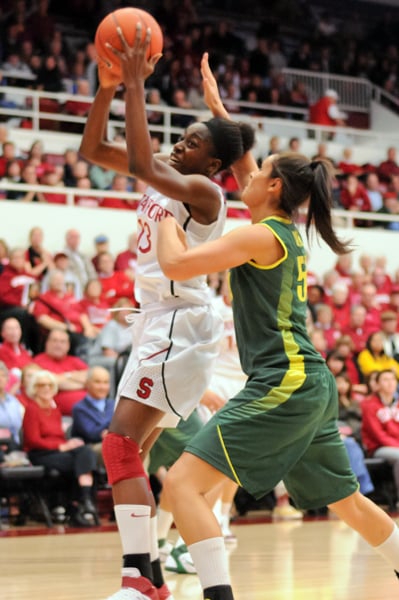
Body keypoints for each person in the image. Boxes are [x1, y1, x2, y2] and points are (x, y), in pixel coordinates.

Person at [156, 53, 399, 600]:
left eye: (259, 173)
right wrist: (219, 111)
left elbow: (174, 265)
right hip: (307, 382)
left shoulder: (259, 236)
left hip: (284, 380)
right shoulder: (275, 227)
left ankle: (217, 594)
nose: (248, 172)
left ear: (271, 191)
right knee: (347, 501)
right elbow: (245, 164)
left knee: (182, 484)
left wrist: (167, 207)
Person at [79, 28, 254, 600]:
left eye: (196, 141)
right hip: (155, 321)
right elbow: (92, 152)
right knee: (130, 451)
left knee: (120, 446)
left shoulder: (205, 194)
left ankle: (140, 581)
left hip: (182, 324)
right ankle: (148, 578)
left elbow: (134, 157)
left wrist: (134, 83)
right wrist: (106, 89)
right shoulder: (166, 171)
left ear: (218, 163)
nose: (183, 143)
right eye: (183, 135)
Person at [22, 369, 99, 527]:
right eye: (41, 385)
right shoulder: (32, 409)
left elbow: (60, 436)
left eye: (50, 384)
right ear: (34, 388)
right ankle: (81, 504)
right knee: (80, 463)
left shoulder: (54, 409)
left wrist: (68, 445)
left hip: (59, 451)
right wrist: (61, 446)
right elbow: (32, 440)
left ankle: (82, 502)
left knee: (85, 451)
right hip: (41, 453)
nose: (46, 388)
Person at [361, 369, 399, 502]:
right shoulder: (369, 405)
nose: (390, 383)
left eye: (393, 379)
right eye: (385, 380)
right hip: (378, 448)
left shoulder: (398, 404)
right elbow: (378, 435)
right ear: (377, 385)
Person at [33, 328, 88, 417]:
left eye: (62, 342)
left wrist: (65, 376)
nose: (58, 345)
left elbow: (90, 379)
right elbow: (51, 383)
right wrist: (80, 381)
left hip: (87, 410)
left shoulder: (75, 361)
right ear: (47, 343)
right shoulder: (38, 362)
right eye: (54, 341)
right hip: (56, 414)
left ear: (68, 346)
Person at [71, 366, 114, 469]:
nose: (102, 387)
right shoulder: (79, 408)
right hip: (91, 448)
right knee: (113, 448)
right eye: (97, 382)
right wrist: (113, 424)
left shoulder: (113, 404)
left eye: (105, 382)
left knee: (138, 448)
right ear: (87, 384)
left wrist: (109, 432)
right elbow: (92, 434)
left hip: (113, 442)